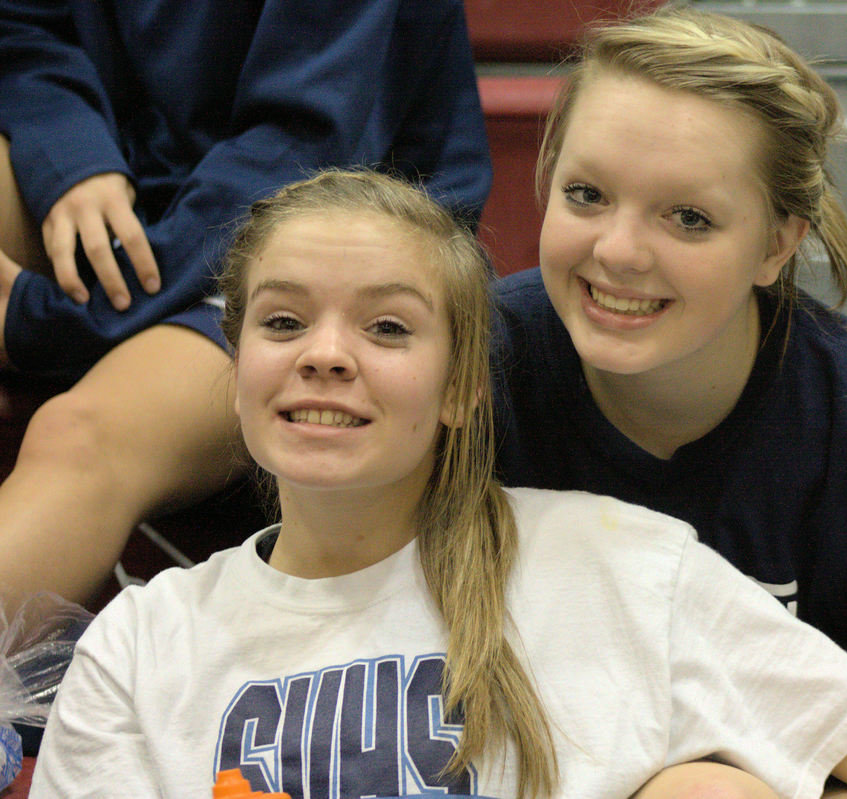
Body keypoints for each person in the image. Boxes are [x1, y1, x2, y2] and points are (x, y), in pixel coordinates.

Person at [30, 170, 847, 798]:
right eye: (282, 323)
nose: (325, 356)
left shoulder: (615, 566)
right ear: (235, 367)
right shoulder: (142, 644)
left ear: (461, 387)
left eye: (387, 328)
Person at [490, 7, 847, 798]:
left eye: (688, 217)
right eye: (587, 194)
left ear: (777, 244)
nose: (619, 251)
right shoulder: (465, 371)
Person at [0, 0, 491, 608]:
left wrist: (52, 321)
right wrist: (71, 159)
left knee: (79, 436)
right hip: (137, 186)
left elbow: (300, 146)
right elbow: (21, 28)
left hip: (324, 241)